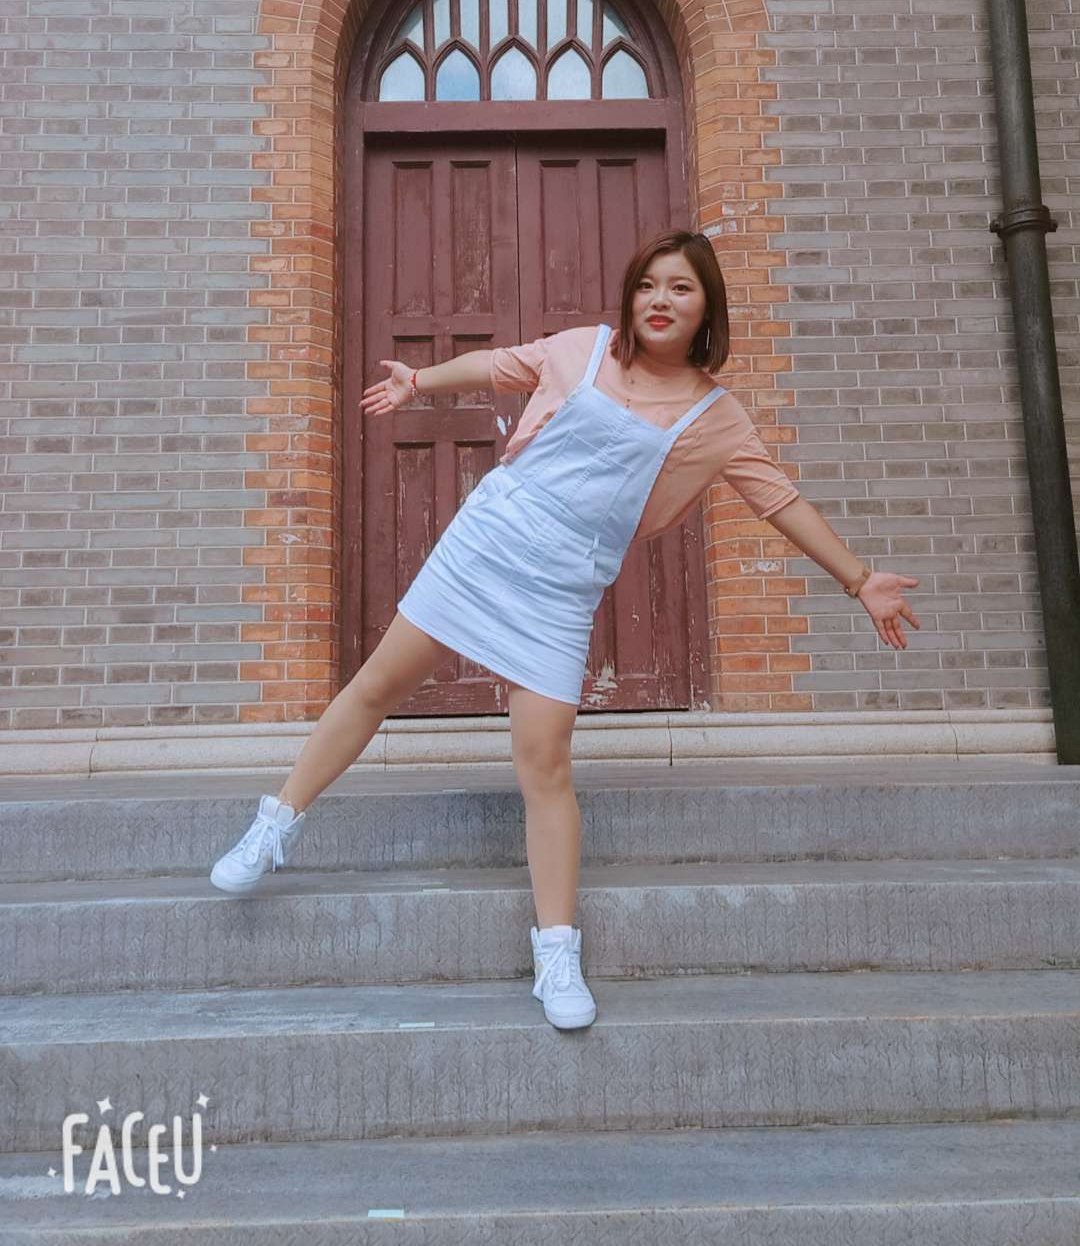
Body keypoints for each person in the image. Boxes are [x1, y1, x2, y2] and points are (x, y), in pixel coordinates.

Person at [209, 228, 921, 1031]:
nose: (660, 300)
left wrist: (859, 579)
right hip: (488, 544)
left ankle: (556, 953)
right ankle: (273, 826)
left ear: (706, 309)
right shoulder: (585, 349)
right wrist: (420, 381)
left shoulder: (716, 417)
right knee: (376, 685)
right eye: (648, 284)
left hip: (561, 588)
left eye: (681, 288)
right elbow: (500, 364)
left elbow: (777, 500)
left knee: (545, 762)